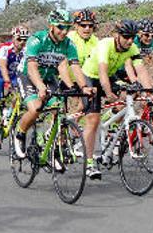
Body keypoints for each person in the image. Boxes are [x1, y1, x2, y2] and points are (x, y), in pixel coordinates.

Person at [13, 9, 95, 162]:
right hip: (28, 76)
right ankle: (20, 133)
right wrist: (40, 87)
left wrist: (83, 87)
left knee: (59, 109)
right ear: (51, 26)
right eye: (60, 27)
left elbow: (74, 66)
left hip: (49, 77)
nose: (64, 31)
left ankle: (54, 148)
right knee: (36, 107)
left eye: (67, 28)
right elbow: (31, 67)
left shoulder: (68, 44)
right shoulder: (37, 40)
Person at [80, 20, 153, 179]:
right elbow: (102, 74)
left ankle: (111, 128)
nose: (129, 40)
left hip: (110, 77)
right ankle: (90, 163)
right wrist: (108, 92)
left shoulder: (132, 47)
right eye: (126, 36)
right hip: (90, 77)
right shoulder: (105, 45)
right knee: (93, 119)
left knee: (129, 96)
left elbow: (141, 69)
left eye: (132, 37)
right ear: (116, 35)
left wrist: (149, 92)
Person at [0, 26, 29, 149]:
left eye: (25, 40)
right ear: (13, 37)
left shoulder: (25, 51)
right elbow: (3, 67)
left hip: (14, 75)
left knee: (19, 96)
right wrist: (6, 82)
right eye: (19, 39)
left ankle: (8, 114)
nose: (22, 42)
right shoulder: (4, 48)